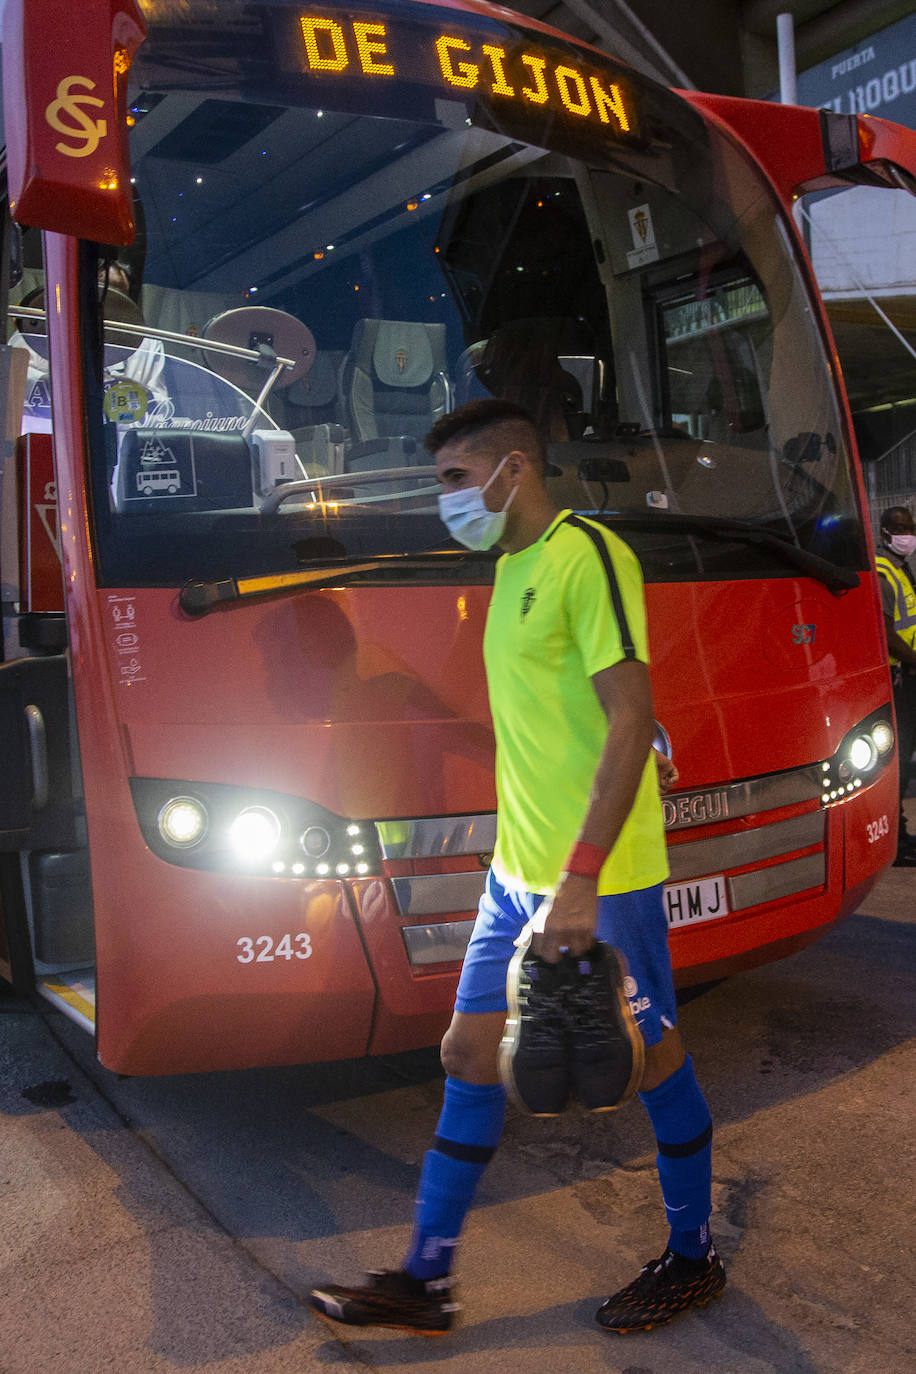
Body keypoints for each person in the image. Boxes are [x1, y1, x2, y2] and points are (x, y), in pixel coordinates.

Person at [311, 398, 724, 1336]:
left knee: (653, 1059)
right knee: (465, 1053)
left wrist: (578, 877)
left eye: (456, 480)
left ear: (513, 470)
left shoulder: (588, 556)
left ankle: (695, 1257)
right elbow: (550, 723)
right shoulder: (509, 568)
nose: (446, 500)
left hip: (600, 875)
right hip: (516, 871)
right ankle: (425, 1279)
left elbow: (629, 714)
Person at [875, 505, 916, 865]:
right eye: (900, 528)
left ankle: (900, 835)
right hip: (896, 678)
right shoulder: (883, 570)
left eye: (910, 527)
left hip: (906, 673)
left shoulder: (900, 568)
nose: (907, 535)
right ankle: (897, 841)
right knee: (898, 761)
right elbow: (887, 633)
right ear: (885, 531)